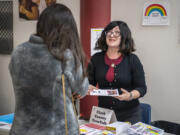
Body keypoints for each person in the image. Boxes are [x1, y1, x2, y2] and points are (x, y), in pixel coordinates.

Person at [9, 4, 88, 135]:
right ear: (68, 29)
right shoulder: (66, 55)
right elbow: (82, 90)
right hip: (57, 130)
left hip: (22, 129)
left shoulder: (18, 51)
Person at [87, 21, 147, 124]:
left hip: (129, 115)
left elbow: (142, 88)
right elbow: (89, 83)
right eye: (109, 32)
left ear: (124, 36)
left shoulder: (132, 59)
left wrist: (130, 96)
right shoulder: (96, 59)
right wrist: (87, 87)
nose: (112, 35)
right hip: (103, 115)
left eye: (116, 32)